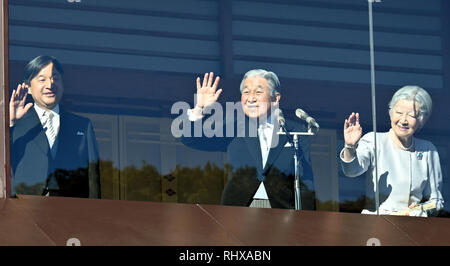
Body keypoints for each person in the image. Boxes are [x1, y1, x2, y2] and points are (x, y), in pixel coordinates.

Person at [179, 69, 315, 209]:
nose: (251, 98)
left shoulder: (295, 131)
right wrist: (199, 108)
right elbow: (191, 139)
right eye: (246, 92)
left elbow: (306, 180)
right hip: (239, 209)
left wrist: (308, 219)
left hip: (282, 210)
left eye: (258, 92)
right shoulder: (233, 125)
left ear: (275, 98)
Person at [340, 85, 444, 216]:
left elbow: (436, 201)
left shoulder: (428, 150)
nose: (403, 120)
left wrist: (421, 211)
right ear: (391, 113)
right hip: (376, 226)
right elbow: (351, 171)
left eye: (411, 115)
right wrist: (349, 147)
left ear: (421, 121)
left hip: (414, 229)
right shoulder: (374, 140)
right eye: (399, 113)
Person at [9, 55, 101, 198]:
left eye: (55, 78)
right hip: (25, 209)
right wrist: (10, 124)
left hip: (70, 211)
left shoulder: (82, 125)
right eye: (42, 79)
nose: (50, 84)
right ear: (28, 87)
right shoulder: (15, 124)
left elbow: (93, 178)